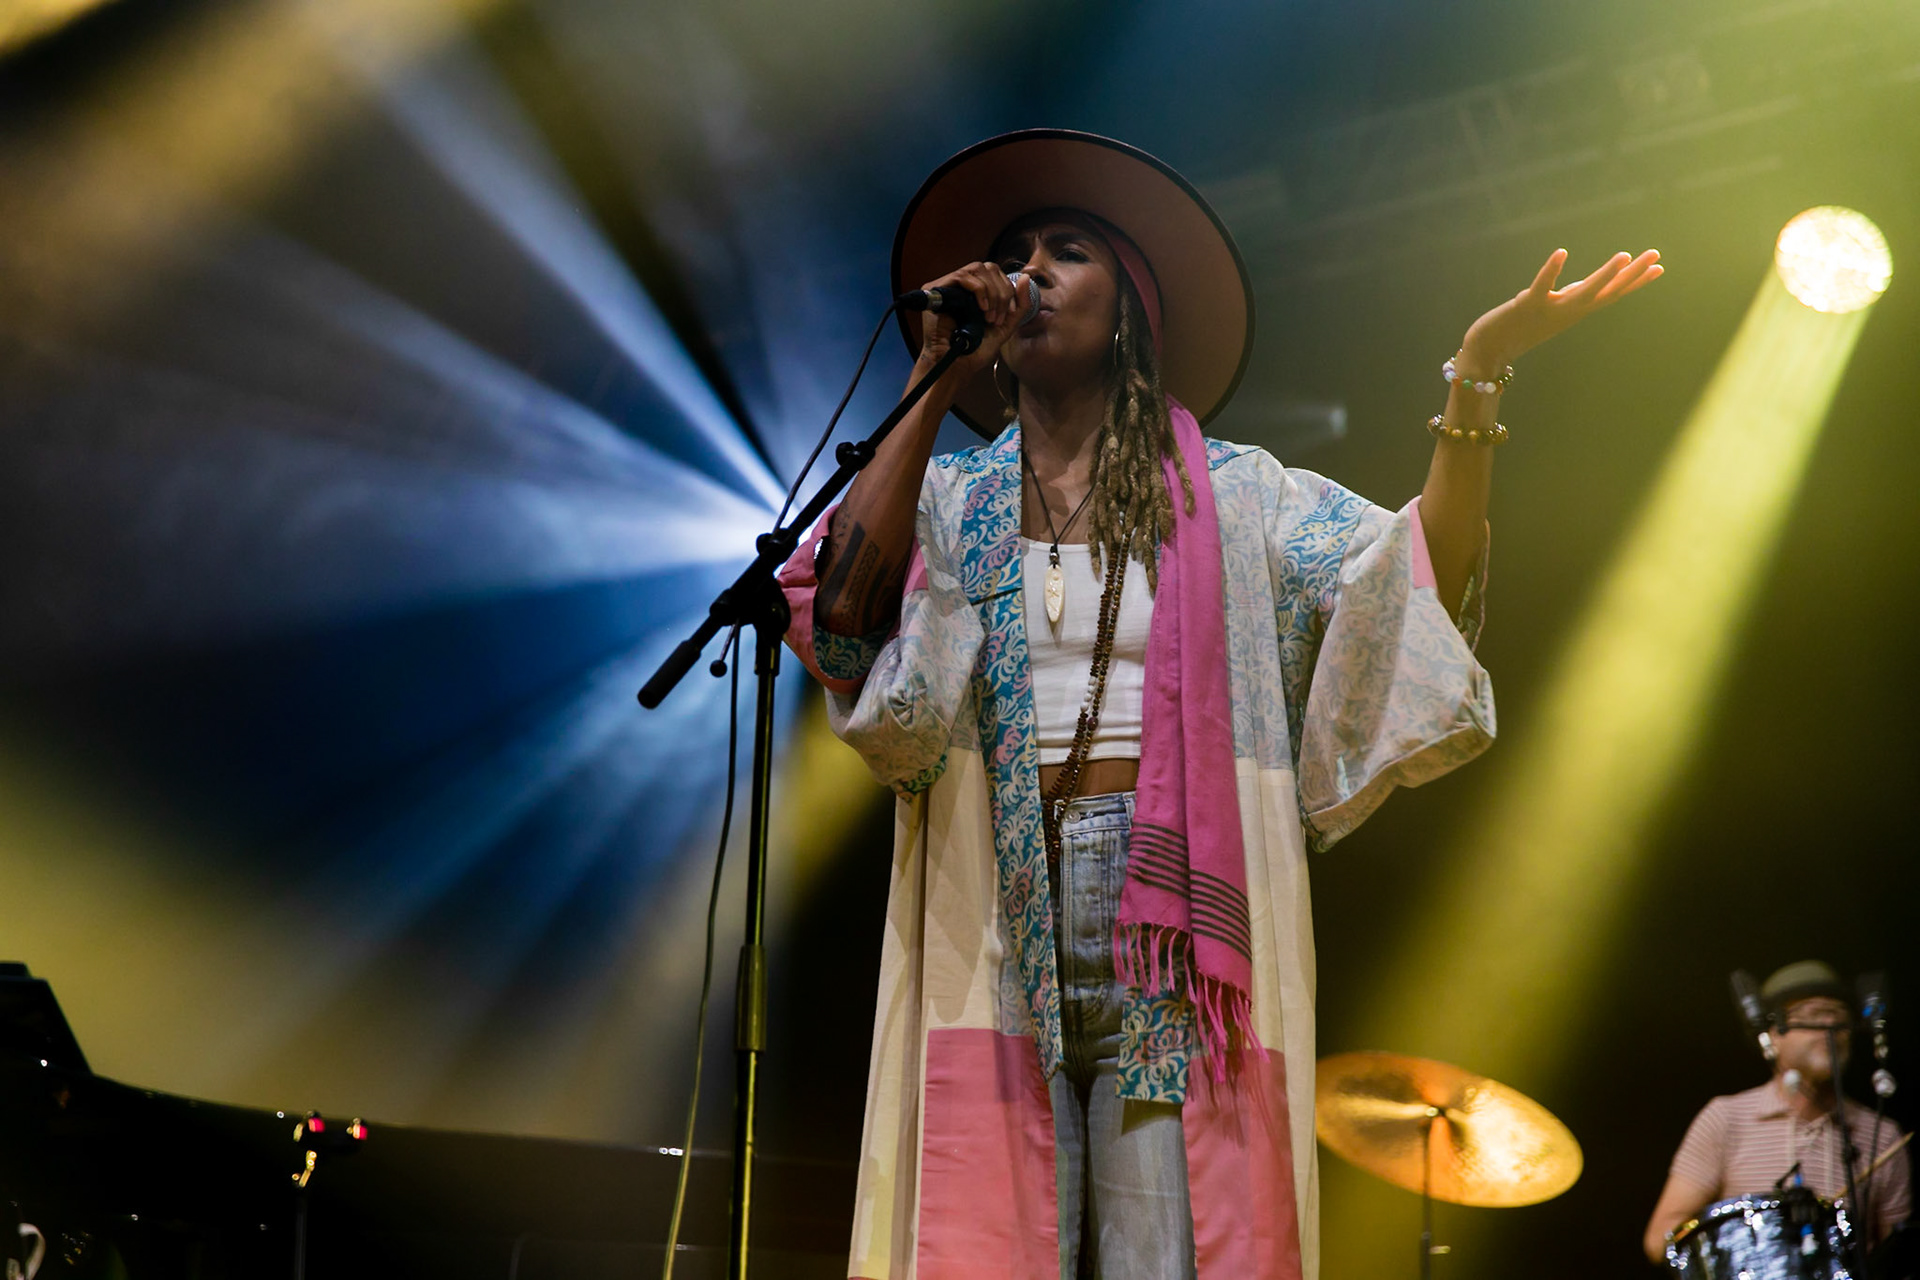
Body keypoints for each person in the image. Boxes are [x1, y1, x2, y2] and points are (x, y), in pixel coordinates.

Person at [778, 130, 1662, 1280]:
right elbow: (842, 614)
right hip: (997, 907)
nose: (1031, 269)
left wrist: (1477, 373)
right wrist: (932, 370)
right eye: (1017, 253)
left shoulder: (1238, 494)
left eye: (1069, 249)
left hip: (1175, 931)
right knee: (981, 1244)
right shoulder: (950, 499)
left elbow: (1412, 576)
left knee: (1176, 1255)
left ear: (1132, 302)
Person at [1643, 960, 1912, 1265]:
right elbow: (1659, 1239)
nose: (1828, 1027)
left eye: (1837, 1015)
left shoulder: (1883, 1135)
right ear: (1771, 1035)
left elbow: (1897, 1260)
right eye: (1811, 1014)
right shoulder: (1726, 1117)